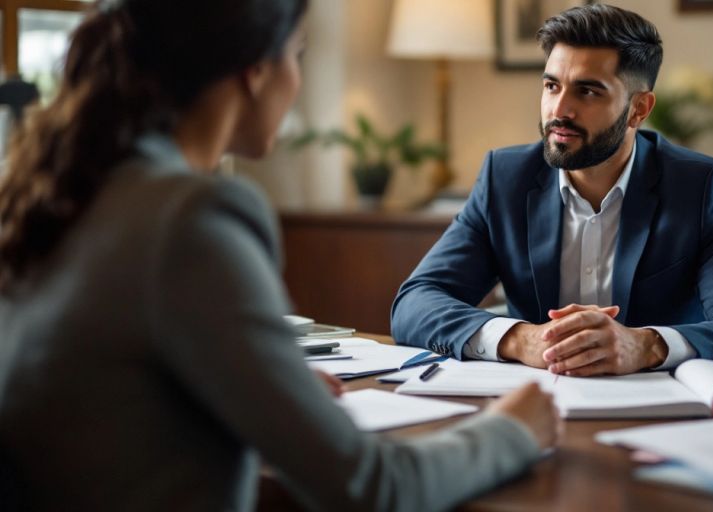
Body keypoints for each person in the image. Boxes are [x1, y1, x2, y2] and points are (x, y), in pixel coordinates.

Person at [0, 1, 558, 510]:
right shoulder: (192, 217)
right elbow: (372, 486)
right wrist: (511, 430)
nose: (297, 78)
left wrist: (257, 386)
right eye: (298, 56)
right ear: (256, 71)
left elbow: (110, 393)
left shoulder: (57, 191)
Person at [392, 4, 713, 377]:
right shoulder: (505, 178)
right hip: (537, 402)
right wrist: (519, 338)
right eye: (551, 85)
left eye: (588, 91)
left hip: (659, 412)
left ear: (639, 109)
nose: (560, 109)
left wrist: (645, 346)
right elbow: (414, 304)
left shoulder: (697, 187)